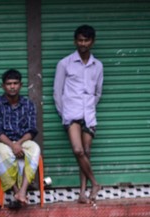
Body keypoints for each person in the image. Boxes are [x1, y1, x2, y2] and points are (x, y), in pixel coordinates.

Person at [54, 24, 103, 204]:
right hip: (71, 114)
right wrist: (64, 112)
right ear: (75, 41)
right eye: (80, 40)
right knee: (78, 150)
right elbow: (57, 92)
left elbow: (98, 92)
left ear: (92, 41)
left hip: (89, 114)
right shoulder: (65, 63)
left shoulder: (97, 65)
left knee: (86, 152)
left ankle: (83, 193)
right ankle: (95, 184)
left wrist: (90, 106)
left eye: (87, 40)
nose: (83, 43)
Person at [0, 69, 41, 209]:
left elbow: (32, 130)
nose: (12, 86)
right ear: (3, 86)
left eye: (15, 83)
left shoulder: (28, 104)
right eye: (9, 84)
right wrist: (12, 146)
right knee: (2, 152)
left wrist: (18, 144)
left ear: (21, 85)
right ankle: (16, 192)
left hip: (22, 141)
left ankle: (23, 190)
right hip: (3, 142)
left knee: (35, 148)